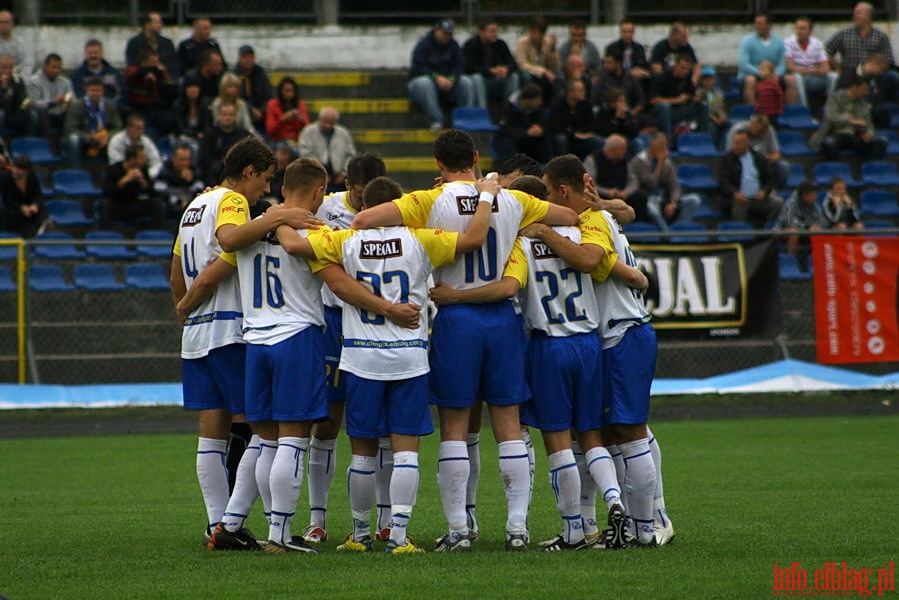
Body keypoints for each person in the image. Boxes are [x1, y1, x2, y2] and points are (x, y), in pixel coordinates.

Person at [352, 129, 580, 552]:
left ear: (438, 163)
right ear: (476, 157)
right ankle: (516, 529)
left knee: (455, 426)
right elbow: (569, 217)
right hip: (502, 320)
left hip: (455, 318)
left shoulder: (428, 200)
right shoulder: (513, 199)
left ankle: (459, 530)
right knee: (508, 425)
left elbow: (364, 220)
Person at [297, 174, 497, 555]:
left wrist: (281, 216)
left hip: (360, 355)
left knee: (362, 451)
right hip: (408, 355)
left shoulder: (345, 242)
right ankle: (399, 536)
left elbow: (295, 245)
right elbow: (474, 239)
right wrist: (485, 198)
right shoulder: (421, 239)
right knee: (405, 450)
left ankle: (359, 535)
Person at [170, 135, 324, 550]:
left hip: (197, 334)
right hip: (229, 328)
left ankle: (218, 524)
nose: (265, 191)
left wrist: (184, 308)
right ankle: (266, 526)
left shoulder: (193, 206)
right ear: (250, 172)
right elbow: (229, 243)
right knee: (266, 431)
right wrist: (277, 217)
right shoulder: (232, 201)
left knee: (212, 435)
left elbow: (175, 271)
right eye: (265, 180)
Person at [299, 152, 388, 545]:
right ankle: (317, 520)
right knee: (328, 422)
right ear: (344, 183)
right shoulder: (327, 208)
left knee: (378, 426)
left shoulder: (397, 209)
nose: (366, 203)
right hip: (335, 322)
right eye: (358, 192)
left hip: (379, 323)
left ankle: (384, 521)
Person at [826, 2, 898, 105]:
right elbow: (826, 51)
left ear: (868, 17)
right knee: (852, 78)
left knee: (892, 76)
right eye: (855, 13)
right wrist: (837, 68)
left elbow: (889, 60)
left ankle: (876, 105)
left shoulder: (880, 36)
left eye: (859, 13)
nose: (855, 15)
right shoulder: (844, 33)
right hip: (851, 73)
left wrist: (878, 67)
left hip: (874, 74)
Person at [408, 19, 475, 130]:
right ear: (436, 30)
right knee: (424, 83)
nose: (446, 36)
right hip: (422, 85)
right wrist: (436, 77)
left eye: (449, 33)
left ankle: (465, 119)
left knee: (466, 82)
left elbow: (460, 65)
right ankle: (435, 120)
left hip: (447, 84)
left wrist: (452, 78)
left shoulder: (454, 45)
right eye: (444, 33)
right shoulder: (423, 44)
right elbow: (418, 67)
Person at [628, 132, 702, 231]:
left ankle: (678, 230)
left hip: (664, 198)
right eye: (661, 145)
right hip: (647, 198)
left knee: (694, 200)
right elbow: (651, 184)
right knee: (651, 207)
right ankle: (666, 233)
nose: (664, 148)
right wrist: (660, 165)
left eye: (665, 145)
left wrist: (673, 202)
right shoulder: (638, 161)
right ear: (652, 145)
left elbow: (674, 185)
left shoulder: (667, 163)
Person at [809, 74, 886, 161]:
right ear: (854, 87)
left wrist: (869, 134)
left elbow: (869, 124)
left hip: (855, 136)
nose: (866, 93)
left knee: (881, 141)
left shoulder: (863, 104)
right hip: (836, 134)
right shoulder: (835, 98)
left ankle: (871, 170)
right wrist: (850, 120)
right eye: (864, 90)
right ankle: (838, 171)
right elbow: (831, 117)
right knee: (829, 143)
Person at [718, 130, 783, 227]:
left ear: (747, 143)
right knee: (739, 206)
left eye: (739, 144)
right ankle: (741, 235)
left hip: (759, 199)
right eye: (734, 143)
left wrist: (764, 191)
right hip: (739, 199)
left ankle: (766, 230)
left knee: (778, 203)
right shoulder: (726, 160)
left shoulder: (759, 158)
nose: (735, 146)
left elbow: (770, 180)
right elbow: (723, 182)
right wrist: (735, 193)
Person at [99, 144, 165, 230]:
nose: (145, 160)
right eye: (141, 158)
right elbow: (107, 192)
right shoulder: (114, 169)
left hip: (134, 205)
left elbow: (153, 193)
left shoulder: (143, 169)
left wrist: (144, 183)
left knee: (157, 204)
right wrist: (124, 180)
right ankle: (106, 236)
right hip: (118, 206)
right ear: (132, 159)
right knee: (104, 205)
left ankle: (155, 234)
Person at [648, 54, 708, 148]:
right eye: (682, 68)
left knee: (702, 106)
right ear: (675, 66)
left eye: (688, 69)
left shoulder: (687, 79)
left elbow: (690, 95)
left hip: (678, 111)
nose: (685, 71)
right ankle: (669, 144)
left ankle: (703, 140)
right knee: (664, 107)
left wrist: (696, 98)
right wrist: (676, 100)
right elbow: (653, 100)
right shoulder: (662, 78)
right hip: (660, 113)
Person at [63, 76, 122, 168]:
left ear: (103, 91)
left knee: (118, 139)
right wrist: (91, 137)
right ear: (86, 90)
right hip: (85, 141)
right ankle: (75, 171)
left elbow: (118, 126)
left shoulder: (109, 105)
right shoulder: (76, 106)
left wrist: (107, 136)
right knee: (73, 140)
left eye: (98, 91)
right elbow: (70, 128)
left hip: (104, 140)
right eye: (92, 90)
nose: (95, 93)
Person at [584, 134, 647, 219]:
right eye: (623, 149)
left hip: (622, 193)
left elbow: (633, 182)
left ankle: (637, 224)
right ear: (614, 150)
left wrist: (626, 192)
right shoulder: (592, 159)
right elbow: (589, 183)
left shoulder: (625, 161)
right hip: (602, 195)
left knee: (640, 196)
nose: (625, 152)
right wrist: (607, 192)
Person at [737, 13, 795, 106]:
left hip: (773, 75)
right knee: (750, 80)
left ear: (769, 25)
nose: (757, 26)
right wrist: (760, 74)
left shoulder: (779, 42)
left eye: (761, 24)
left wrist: (775, 74)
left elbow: (782, 63)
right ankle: (752, 112)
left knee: (791, 79)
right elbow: (744, 64)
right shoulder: (746, 41)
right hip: (752, 75)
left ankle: (792, 112)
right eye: (756, 23)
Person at [462, 18, 520, 110]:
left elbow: (513, 63)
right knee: (477, 78)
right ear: (481, 32)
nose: (495, 34)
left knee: (513, 77)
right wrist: (489, 71)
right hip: (481, 81)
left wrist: (506, 69)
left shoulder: (500, 44)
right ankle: (482, 111)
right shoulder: (470, 45)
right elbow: (469, 67)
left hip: (496, 80)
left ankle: (510, 111)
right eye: (491, 31)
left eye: (496, 31)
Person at [298, 106, 357, 193]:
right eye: (325, 122)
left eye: (331, 123)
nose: (328, 126)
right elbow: (306, 154)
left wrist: (344, 172)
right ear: (319, 119)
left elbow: (350, 154)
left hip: (340, 177)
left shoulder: (343, 133)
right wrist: (321, 172)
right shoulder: (308, 132)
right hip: (316, 176)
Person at [726, 113, 790, 190]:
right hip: (742, 164)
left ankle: (774, 191)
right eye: (759, 131)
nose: (762, 135)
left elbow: (776, 154)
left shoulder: (769, 130)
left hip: (763, 164)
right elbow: (730, 156)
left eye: (763, 132)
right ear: (751, 125)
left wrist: (769, 159)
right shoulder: (737, 131)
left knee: (783, 166)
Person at [493, 82, 551, 164]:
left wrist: (540, 129)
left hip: (529, 139)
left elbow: (546, 123)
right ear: (527, 100)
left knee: (545, 140)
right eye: (537, 100)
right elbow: (504, 129)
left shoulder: (538, 109)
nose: (539, 102)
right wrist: (525, 132)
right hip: (513, 138)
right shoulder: (509, 108)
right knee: (507, 142)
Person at [124, 50, 177, 136]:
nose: (156, 65)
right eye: (153, 62)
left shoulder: (159, 71)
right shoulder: (134, 70)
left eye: (157, 62)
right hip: (138, 107)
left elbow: (168, 86)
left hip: (156, 107)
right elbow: (132, 75)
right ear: (144, 63)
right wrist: (145, 74)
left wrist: (162, 74)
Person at [547, 77, 602, 160]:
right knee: (561, 139)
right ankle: (562, 165)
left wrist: (581, 133)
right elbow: (555, 125)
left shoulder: (586, 104)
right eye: (580, 90)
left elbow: (592, 124)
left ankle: (590, 166)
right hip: (566, 136)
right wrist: (573, 134)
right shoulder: (557, 105)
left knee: (598, 141)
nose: (584, 93)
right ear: (570, 93)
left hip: (581, 136)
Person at [199, 102, 252, 185]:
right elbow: (204, 158)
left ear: (235, 117)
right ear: (218, 116)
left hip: (239, 174)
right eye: (224, 114)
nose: (227, 117)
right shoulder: (209, 135)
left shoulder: (245, 137)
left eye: (230, 115)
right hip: (214, 176)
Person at [774, 180, 823, 269]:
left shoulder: (813, 205)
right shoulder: (791, 203)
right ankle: (790, 264)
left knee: (817, 232)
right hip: (782, 230)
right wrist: (807, 227)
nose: (815, 197)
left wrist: (814, 226)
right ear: (805, 196)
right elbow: (788, 222)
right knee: (794, 233)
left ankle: (817, 264)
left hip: (804, 231)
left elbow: (817, 219)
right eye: (812, 195)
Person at [784, 17, 830, 108]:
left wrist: (821, 70)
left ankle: (829, 108)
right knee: (796, 77)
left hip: (814, 79)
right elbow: (790, 67)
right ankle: (805, 109)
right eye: (797, 28)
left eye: (803, 29)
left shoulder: (817, 44)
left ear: (810, 31)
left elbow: (826, 67)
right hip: (797, 77)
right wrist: (813, 70)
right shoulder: (788, 42)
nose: (799, 31)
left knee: (833, 77)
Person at [514, 17, 560, 102]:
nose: (532, 35)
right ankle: (529, 101)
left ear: (542, 35)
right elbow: (522, 64)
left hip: (544, 74)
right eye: (531, 32)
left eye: (535, 33)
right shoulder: (522, 43)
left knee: (559, 76)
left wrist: (552, 51)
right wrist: (543, 71)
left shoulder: (547, 43)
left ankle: (554, 105)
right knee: (526, 76)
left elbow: (555, 67)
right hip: (529, 72)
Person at [27, 53, 73, 138]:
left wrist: (68, 102)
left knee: (74, 114)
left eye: (59, 68)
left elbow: (73, 99)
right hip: (44, 116)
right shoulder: (34, 81)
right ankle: (49, 144)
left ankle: (70, 141)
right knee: (40, 113)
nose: (56, 71)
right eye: (53, 67)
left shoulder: (66, 82)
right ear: (45, 66)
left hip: (60, 115)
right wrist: (53, 102)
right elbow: (33, 103)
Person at [71, 39, 125, 111]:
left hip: (111, 111)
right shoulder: (78, 75)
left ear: (102, 54)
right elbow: (79, 96)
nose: (93, 56)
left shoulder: (113, 73)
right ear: (85, 54)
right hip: (86, 113)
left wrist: (109, 107)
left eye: (96, 53)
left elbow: (121, 95)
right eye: (90, 53)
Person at [0, 156, 46, 238]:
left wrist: (34, 205)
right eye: (14, 168)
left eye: (19, 170)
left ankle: (41, 232)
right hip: (14, 209)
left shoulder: (32, 178)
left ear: (27, 171)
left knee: (41, 210)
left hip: (30, 208)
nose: (15, 171)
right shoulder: (5, 179)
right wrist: (21, 208)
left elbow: (38, 196)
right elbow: (7, 199)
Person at [155, 142, 204, 217]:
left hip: (191, 210)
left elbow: (201, 193)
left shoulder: (195, 171)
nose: (184, 163)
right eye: (181, 160)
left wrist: (190, 181)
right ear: (174, 159)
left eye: (187, 160)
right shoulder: (165, 172)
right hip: (171, 210)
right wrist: (179, 202)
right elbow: (160, 193)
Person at [125, 11, 179, 79]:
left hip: (164, 78)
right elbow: (132, 64)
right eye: (157, 22)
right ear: (147, 25)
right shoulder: (134, 43)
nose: (160, 25)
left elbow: (174, 64)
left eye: (161, 22)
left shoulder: (167, 43)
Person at [108, 113, 163, 178]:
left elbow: (156, 162)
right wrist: (131, 174)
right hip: (120, 177)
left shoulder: (146, 141)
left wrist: (148, 175)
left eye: (142, 129)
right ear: (128, 128)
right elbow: (115, 164)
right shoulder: (116, 141)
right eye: (138, 129)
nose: (141, 132)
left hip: (142, 178)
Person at [594, 87, 642, 157]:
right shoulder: (603, 113)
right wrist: (617, 118)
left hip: (625, 139)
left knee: (636, 143)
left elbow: (634, 132)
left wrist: (624, 120)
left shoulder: (626, 113)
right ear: (612, 103)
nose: (624, 104)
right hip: (608, 139)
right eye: (621, 101)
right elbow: (606, 132)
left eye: (624, 101)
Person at [234, 45, 272, 134]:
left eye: (250, 57)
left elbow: (268, 94)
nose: (248, 60)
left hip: (261, 114)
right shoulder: (234, 74)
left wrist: (261, 110)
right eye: (245, 57)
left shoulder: (260, 72)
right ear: (239, 58)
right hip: (243, 112)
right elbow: (237, 96)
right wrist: (251, 109)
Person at [209, 72, 260, 138]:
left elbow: (247, 125)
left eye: (235, 86)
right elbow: (216, 124)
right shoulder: (217, 104)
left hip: (239, 136)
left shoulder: (242, 104)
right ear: (223, 88)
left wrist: (255, 137)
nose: (233, 89)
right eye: (229, 86)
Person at [265, 76, 309, 147]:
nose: (289, 94)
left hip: (297, 140)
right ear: (281, 91)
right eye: (286, 91)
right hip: (278, 140)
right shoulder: (272, 105)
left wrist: (300, 119)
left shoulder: (300, 104)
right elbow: (270, 130)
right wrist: (283, 119)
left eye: (292, 91)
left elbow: (307, 128)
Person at [0, 54, 37, 138]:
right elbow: (2, 105)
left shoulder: (17, 80)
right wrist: (3, 88)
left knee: (33, 115)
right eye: (4, 67)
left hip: (13, 113)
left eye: (10, 68)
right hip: (3, 113)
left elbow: (21, 99)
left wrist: (26, 103)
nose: (8, 71)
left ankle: (26, 141)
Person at [171, 79, 210, 157]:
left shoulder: (203, 105)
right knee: (194, 148)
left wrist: (203, 134)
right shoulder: (177, 105)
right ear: (185, 90)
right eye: (190, 87)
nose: (193, 90)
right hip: (181, 136)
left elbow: (207, 124)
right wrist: (196, 134)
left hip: (199, 138)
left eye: (196, 87)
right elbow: (179, 127)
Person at [697, 66, 729, 150]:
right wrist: (713, 118)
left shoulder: (718, 93)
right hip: (704, 118)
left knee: (729, 125)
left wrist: (723, 116)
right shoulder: (698, 93)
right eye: (706, 79)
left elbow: (721, 108)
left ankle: (725, 147)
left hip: (717, 117)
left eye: (710, 79)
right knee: (712, 126)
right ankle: (712, 148)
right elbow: (700, 108)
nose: (708, 81)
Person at [0, 10, 33, 76]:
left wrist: (19, 80)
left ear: (12, 24)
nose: (3, 25)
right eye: (0, 22)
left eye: (6, 22)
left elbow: (27, 64)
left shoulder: (21, 43)